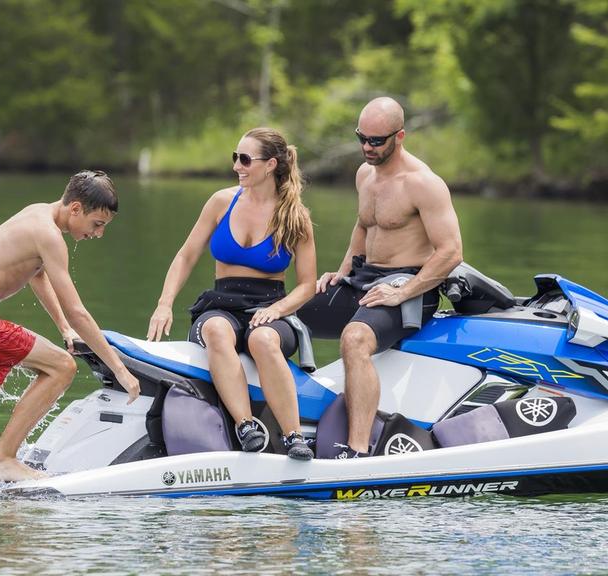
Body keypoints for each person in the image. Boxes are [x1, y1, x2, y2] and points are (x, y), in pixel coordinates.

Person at [0, 170, 140, 489]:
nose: (98, 234)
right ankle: (3, 460)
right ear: (76, 208)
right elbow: (78, 311)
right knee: (62, 367)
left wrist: (63, 328)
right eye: (97, 224)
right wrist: (119, 369)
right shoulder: (50, 235)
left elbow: (36, 275)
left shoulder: (36, 213)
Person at [296, 97, 463, 458]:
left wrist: (404, 293)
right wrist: (341, 274)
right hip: (362, 280)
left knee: (355, 339)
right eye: (362, 138)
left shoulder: (423, 183)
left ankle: (358, 451)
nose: (367, 148)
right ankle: (289, 424)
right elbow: (363, 227)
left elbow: (450, 252)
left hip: (409, 288)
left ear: (399, 136)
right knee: (284, 311)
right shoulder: (364, 175)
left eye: (376, 141)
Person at [146, 127, 317, 460]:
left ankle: (294, 436)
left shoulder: (296, 216)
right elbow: (186, 256)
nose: (237, 166)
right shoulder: (221, 202)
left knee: (263, 341)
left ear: (270, 165)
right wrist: (163, 304)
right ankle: (245, 425)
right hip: (220, 305)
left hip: (270, 307)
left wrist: (279, 310)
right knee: (215, 330)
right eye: (235, 158)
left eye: (245, 159)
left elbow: (308, 284)